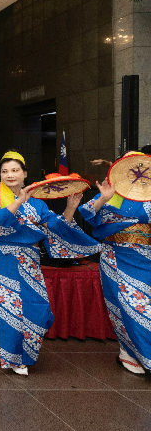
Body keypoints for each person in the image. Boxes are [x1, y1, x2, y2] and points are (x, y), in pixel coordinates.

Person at [0, 151, 99, 375]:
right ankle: (15, 359)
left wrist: (70, 207)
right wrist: (18, 201)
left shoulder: (37, 204)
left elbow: (55, 226)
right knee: (10, 312)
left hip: (29, 261)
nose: (10, 175)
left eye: (15, 170)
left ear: (25, 174)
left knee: (39, 310)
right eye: (5, 171)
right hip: (4, 259)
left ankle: (24, 353)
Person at [79, 155, 151, 373]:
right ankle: (128, 352)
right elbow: (87, 213)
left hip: (145, 257)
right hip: (115, 257)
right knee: (125, 306)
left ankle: (138, 353)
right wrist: (103, 198)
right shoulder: (113, 194)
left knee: (143, 307)